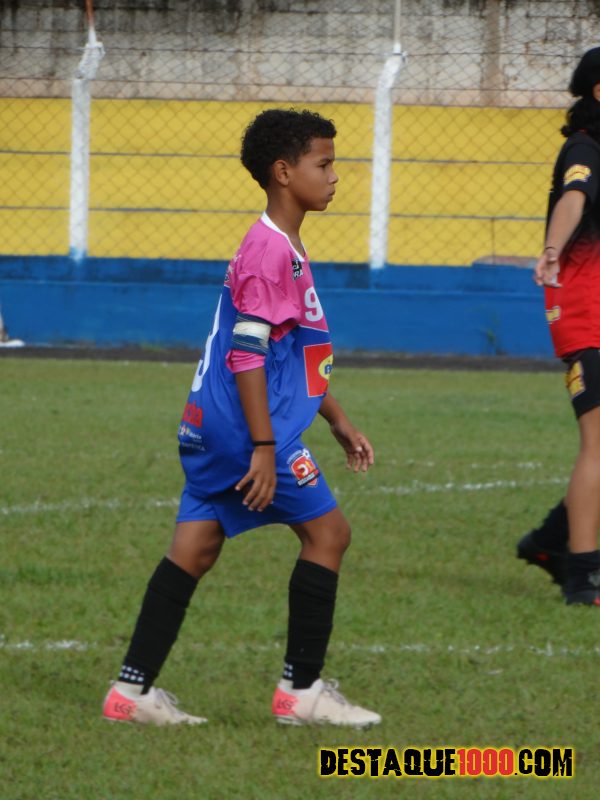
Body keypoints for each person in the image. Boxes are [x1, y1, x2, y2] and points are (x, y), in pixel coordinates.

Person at [102, 109, 382, 726]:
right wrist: (264, 446)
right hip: (248, 432)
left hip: (208, 424)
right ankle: (301, 693)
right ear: (283, 172)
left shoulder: (282, 244)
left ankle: (130, 693)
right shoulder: (268, 251)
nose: (335, 176)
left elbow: (288, 351)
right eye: (324, 164)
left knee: (195, 548)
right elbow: (248, 354)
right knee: (329, 535)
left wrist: (334, 416)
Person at [517, 47, 600, 606]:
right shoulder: (585, 148)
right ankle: (583, 575)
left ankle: (549, 541)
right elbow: (574, 196)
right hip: (586, 311)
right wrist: (551, 248)